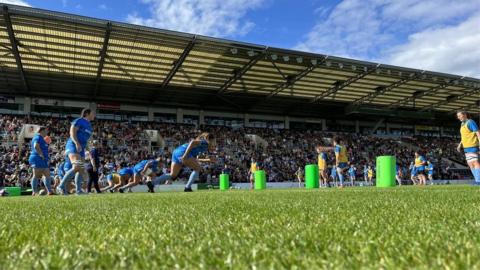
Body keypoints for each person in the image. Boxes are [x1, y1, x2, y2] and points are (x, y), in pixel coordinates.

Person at [57, 108, 95, 195]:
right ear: (87, 113)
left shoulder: (89, 125)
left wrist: (88, 150)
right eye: (93, 113)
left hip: (81, 148)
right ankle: (61, 186)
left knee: (81, 168)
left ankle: (78, 191)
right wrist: (76, 143)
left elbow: (87, 140)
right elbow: (72, 132)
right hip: (73, 145)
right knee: (77, 166)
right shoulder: (79, 120)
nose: (94, 115)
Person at [456, 111, 480, 184]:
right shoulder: (462, 124)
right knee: (470, 164)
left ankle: (478, 181)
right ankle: (477, 180)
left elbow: (478, 133)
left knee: (475, 162)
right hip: (466, 147)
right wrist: (460, 144)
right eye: (458, 116)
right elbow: (464, 136)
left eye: (460, 115)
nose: (458, 117)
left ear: (465, 115)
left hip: (472, 145)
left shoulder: (470, 122)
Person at [28, 127, 53, 195]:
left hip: (43, 159)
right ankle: (34, 192)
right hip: (37, 158)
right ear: (42, 131)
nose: (46, 132)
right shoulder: (37, 137)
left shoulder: (42, 138)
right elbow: (36, 146)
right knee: (36, 175)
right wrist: (41, 154)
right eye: (46, 131)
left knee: (47, 174)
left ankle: (49, 191)